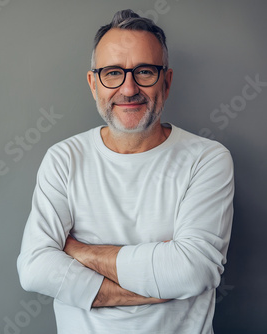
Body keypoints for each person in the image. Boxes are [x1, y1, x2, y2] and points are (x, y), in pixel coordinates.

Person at [16, 9, 234, 334]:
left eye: (144, 72)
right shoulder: (64, 159)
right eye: (112, 73)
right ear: (94, 84)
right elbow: (34, 268)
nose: (129, 89)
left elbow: (192, 272)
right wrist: (156, 280)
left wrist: (80, 251)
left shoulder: (207, 159)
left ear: (167, 81)